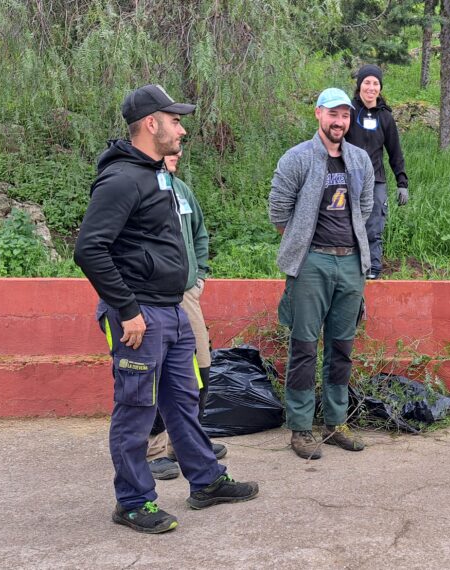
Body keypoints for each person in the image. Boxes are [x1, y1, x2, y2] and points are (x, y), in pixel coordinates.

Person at [73, 84, 258, 535]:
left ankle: (207, 482)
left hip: (173, 311)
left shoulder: (159, 176)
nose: (182, 128)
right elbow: (90, 249)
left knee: (185, 402)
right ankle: (133, 501)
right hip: (141, 318)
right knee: (136, 409)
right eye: (175, 121)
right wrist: (127, 308)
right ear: (151, 124)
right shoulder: (121, 179)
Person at [269, 88, 374, 460]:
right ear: (318, 114)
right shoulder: (297, 158)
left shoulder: (360, 160)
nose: (339, 122)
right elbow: (279, 212)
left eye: (345, 115)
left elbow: (364, 206)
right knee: (303, 346)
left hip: (350, 263)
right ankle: (300, 428)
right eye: (333, 114)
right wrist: (302, 244)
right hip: (311, 262)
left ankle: (335, 422)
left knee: (341, 346)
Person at [145, 149, 227, 481]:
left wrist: (200, 277)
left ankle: (185, 443)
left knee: (201, 368)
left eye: (179, 148)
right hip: (153, 299)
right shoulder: (141, 187)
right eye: (170, 149)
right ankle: (153, 450)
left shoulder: (181, 190)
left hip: (186, 294)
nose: (177, 153)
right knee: (155, 374)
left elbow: (200, 233)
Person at [344, 64, 408, 280]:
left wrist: (402, 182)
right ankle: (349, 268)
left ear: (380, 87)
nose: (371, 87)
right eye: (367, 82)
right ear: (359, 85)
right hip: (348, 178)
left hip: (376, 180)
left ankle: (373, 269)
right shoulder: (349, 112)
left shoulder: (385, 117)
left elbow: (394, 151)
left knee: (373, 227)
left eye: (375, 83)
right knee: (346, 224)